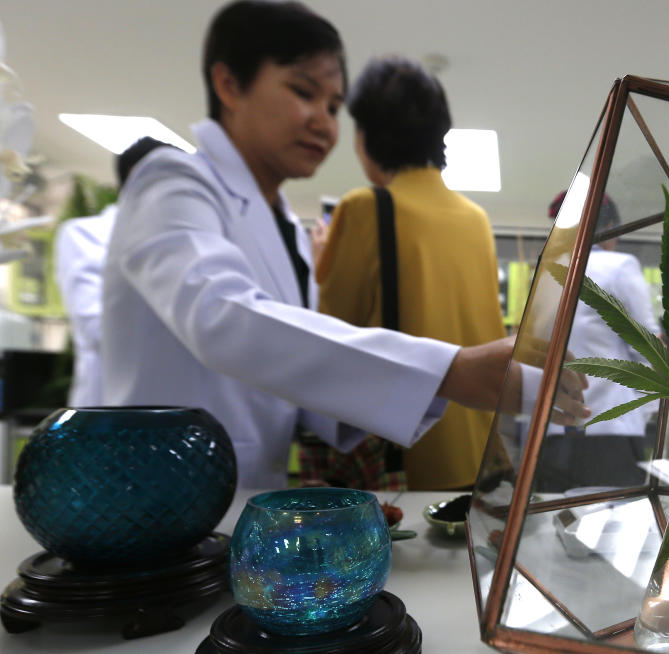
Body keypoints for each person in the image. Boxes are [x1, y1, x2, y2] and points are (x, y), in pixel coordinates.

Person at [100, 0, 586, 489]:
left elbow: (297, 360)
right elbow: (218, 315)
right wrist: (446, 372)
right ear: (229, 84)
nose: (325, 122)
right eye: (303, 92)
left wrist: (468, 381)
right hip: (152, 494)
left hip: (239, 495)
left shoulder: (286, 225)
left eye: (334, 108)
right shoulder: (172, 179)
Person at [314, 56, 506, 490]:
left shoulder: (364, 208)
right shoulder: (475, 218)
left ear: (366, 136)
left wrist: (319, 263)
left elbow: (330, 338)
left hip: (408, 454)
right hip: (477, 451)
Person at [533, 192, 662, 490]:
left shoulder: (546, 274)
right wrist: (650, 409)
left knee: (555, 518)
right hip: (610, 427)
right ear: (613, 226)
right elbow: (647, 347)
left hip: (553, 427)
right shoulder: (619, 265)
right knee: (610, 524)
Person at [54, 137, 174, 407]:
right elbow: (98, 328)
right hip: (106, 405)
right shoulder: (85, 234)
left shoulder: (182, 239)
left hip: (174, 409)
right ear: (134, 177)